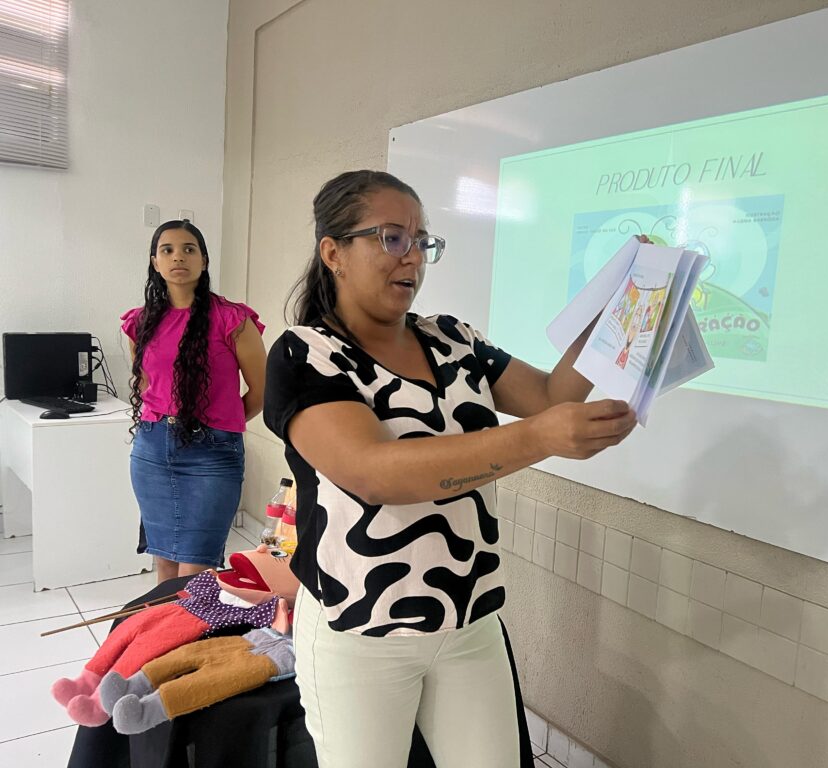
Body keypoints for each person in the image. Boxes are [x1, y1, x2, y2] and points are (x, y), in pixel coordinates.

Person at [262, 170, 638, 767]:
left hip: (468, 619)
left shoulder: (454, 340)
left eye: (421, 241)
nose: (412, 256)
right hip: (359, 629)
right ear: (333, 253)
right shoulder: (305, 353)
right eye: (391, 238)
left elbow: (550, 397)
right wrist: (538, 439)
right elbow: (374, 473)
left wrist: (620, 306)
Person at [121, 220, 267, 584]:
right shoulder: (141, 322)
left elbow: (263, 389)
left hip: (212, 454)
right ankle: (166, 624)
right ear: (155, 262)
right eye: (167, 250)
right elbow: (147, 382)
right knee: (166, 566)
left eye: (189, 249)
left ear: (204, 260)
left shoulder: (232, 319)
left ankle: (188, 620)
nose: (178, 257)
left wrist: (220, 421)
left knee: (195, 571)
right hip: (152, 451)